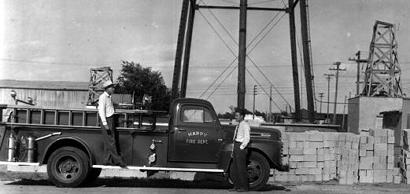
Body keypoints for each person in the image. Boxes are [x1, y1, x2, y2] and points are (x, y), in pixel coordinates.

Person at [98, 80, 126, 168]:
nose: (113, 89)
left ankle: (106, 160)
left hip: (111, 119)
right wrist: (105, 123)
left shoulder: (108, 97)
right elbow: (101, 110)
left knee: (108, 142)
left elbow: (110, 106)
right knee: (111, 142)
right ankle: (118, 161)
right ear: (107, 89)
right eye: (112, 87)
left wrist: (120, 105)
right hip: (107, 120)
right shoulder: (103, 97)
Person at [230, 109, 250, 192]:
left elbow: (247, 138)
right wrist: (233, 150)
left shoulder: (245, 125)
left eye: (237, 115)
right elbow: (235, 138)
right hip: (236, 146)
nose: (235, 117)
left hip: (240, 147)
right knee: (234, 168)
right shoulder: (238, 125)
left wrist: (241, 147)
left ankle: (245, 187)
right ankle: (236, 186)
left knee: (241, 168)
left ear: (242, 116)